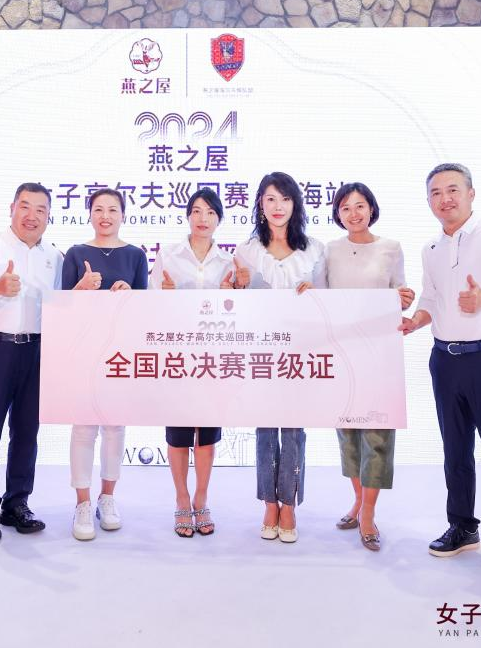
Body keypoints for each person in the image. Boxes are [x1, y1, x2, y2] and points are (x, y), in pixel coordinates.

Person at [398, 163, 481, 579]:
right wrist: (416, 320)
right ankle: (462, 527)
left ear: (471, 193)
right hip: (445, 360)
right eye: (435, 193)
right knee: (455, 450)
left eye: (453, 189)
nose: (445, 199)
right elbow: (432, 297)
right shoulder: (431, 248)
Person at [0, 183, 63, 543]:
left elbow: (61, 304)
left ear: (49, 216)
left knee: (26, 432)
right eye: (25, 206)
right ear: (12, 209)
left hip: (36, 351)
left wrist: (81, 290)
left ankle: (17, 504)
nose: (32, 216)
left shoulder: (55, 256)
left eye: (40, 209)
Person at [149, 188, 249, 538]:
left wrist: (234, 293)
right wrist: (166, 297)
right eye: (196, 211)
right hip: (177, 354)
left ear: (219, 218)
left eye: (210, 212)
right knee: (178, 433)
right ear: (188, 216)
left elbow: (239, 313)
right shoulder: (168, 255)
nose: (202, 218)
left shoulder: (229, 261)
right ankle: (181, 499)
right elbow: (151, 304)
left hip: (214, 356)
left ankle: (201, 498)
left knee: (206, 433)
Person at [235, 171, 326, 544]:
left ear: (295, 204)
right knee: (264, 428)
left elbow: (329, 301)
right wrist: (237, 287)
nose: (278, 206)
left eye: (285, 198)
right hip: (260, 352)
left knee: (293, 429)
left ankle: (289, 504)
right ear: (260, 203)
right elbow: (235, 306)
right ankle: (268, 504)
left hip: (300, 352)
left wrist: (315, 291)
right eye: (270, 198)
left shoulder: (315, 249)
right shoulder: (246, 251)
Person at [325, 182, 415, 552]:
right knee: (347, 433)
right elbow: (319, 299)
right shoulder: (329, 251)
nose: (354, 213)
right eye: (345, 207)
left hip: (380, 353)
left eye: (360, 205)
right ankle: (358, 501)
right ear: (338, 214)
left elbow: (401, 295)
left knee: (377, 434)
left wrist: (405, 299)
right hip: (342, 354)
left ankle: (368, 514)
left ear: (372, 209)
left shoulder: (390, 247)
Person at [61, 188, 149, 541]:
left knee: (114, 427)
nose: (106, 216)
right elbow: (62, 309)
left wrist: (131, 295)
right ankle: (82, 502)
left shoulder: (136, 255)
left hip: (120, 354)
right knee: (83, 426)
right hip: (83, 352)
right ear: (89, 214)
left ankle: (107, 498)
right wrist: (81, 288)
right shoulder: (75, 253)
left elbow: (145, 312)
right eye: (99, 209)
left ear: (123, 215)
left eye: (113, 209)